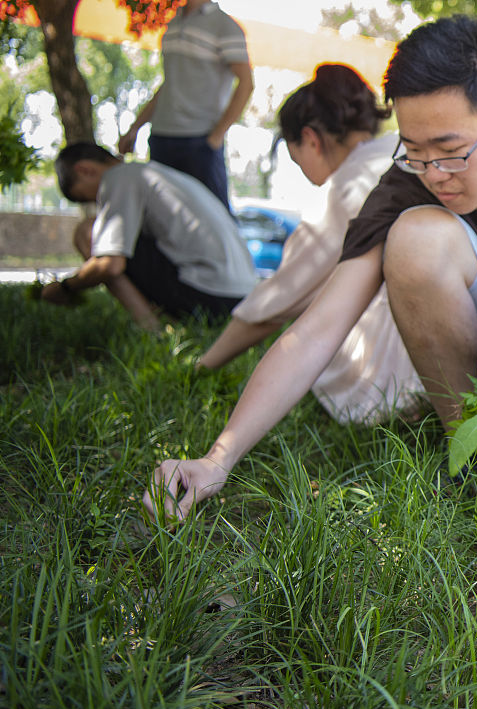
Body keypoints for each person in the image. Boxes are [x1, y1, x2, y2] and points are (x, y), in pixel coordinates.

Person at [142, 15, 477, 521]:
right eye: (414, 150)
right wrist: (217, 459)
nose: (433, 173)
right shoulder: (407, 182)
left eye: (450, 151)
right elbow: (315, 332)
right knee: (416, 237)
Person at [194, 63, 420, 426]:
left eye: (297, 159)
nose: (305, 174)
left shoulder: (343, 188)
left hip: (391, 385)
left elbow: (274, 302)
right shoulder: (411, 148)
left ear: (311, 139)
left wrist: (203, 367)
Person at [41, 142, 258, 331]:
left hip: (209, 298)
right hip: (243, 300)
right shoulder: (156, 173)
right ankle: (166, 320)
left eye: (86, 198)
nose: (96, 204)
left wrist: (64, 287)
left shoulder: (117, 178)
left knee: (88, 231)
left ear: (85, 170)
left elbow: (110, 264)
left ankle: (152, 331)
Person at [116, 0, 253, 209]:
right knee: (163, 217)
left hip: (200, 141)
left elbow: (246, 84)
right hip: (162, 137)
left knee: (213, 218)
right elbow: (170, 85)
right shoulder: (172, 23)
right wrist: (135, 127)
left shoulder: (225, 26)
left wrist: (215, 138)